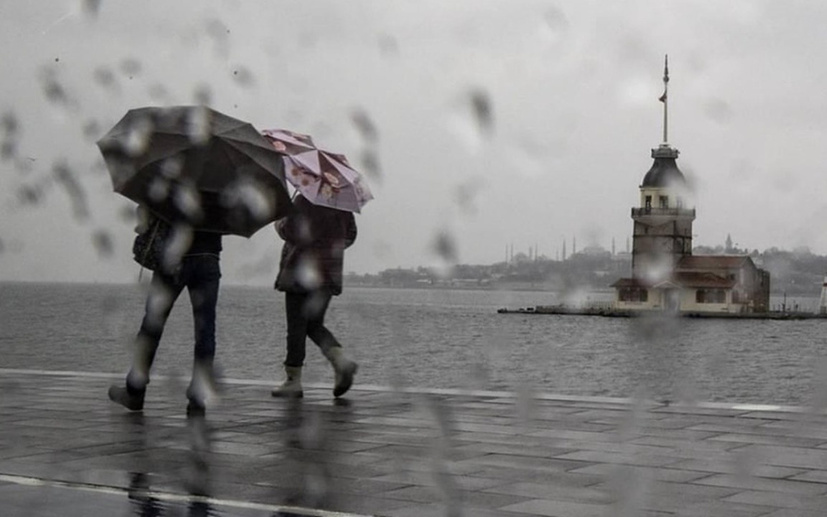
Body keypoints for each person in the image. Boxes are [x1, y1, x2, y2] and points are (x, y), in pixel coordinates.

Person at [108, 206, 223, 415]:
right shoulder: (224, 179)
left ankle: (135, 390)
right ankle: (198, 397)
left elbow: (149, 209)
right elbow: (228, 219)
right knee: (206, 329)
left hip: (174, 257)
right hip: (208, 257)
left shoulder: (175, 175)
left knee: (152, 325)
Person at [271, 193, 358, 399]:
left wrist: (280, 223)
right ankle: (341, 361)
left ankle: (293, 381)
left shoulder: (304, 199)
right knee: (313, 324)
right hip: (328, 275)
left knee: (296, 326)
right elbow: (350, 235)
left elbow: (291, 231)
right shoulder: (341, 203)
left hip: (301, 273)